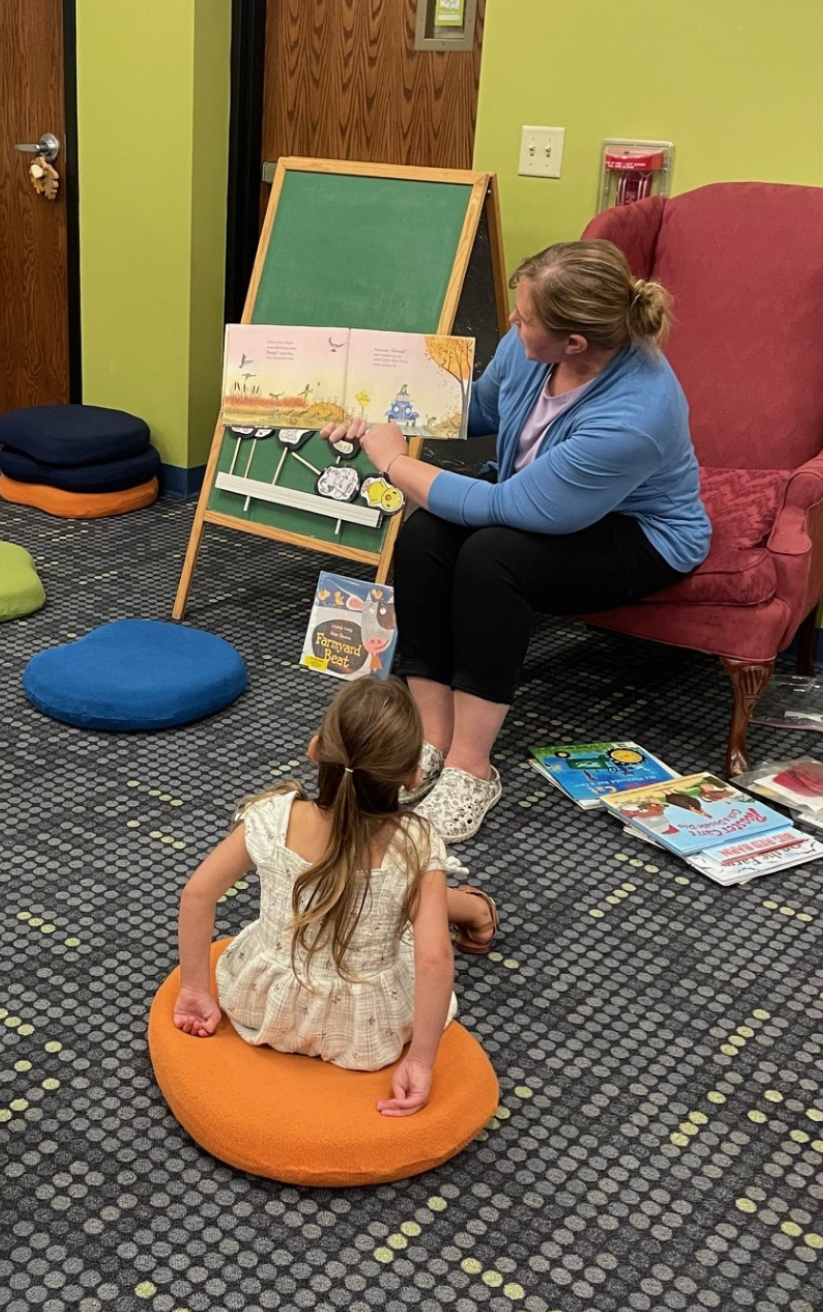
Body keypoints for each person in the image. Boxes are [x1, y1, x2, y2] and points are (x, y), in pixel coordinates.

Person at [324, 240, 711, 842]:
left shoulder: (637, 414)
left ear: (573, 342)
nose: (511, 320)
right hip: (540, 499)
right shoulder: (528, 348)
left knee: (493, 557)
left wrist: (394, 463)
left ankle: (470, 767)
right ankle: (431, 735)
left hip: (640, 534)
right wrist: (370, 412)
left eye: (524, 317)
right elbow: (476, 407)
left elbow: (507, 508)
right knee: (425, 532)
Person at [173, 677, 498, 1116]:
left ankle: (469, 907)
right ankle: (475, 910)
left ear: (315, 749)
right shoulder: (415, 843)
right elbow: (433, 959)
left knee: (407, 892)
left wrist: (195, 988)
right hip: (363, 1027)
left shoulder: (272, 816)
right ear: (412, 777)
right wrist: (421, 1062)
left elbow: (197, 895)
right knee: (417, 895)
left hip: (265, 1007)